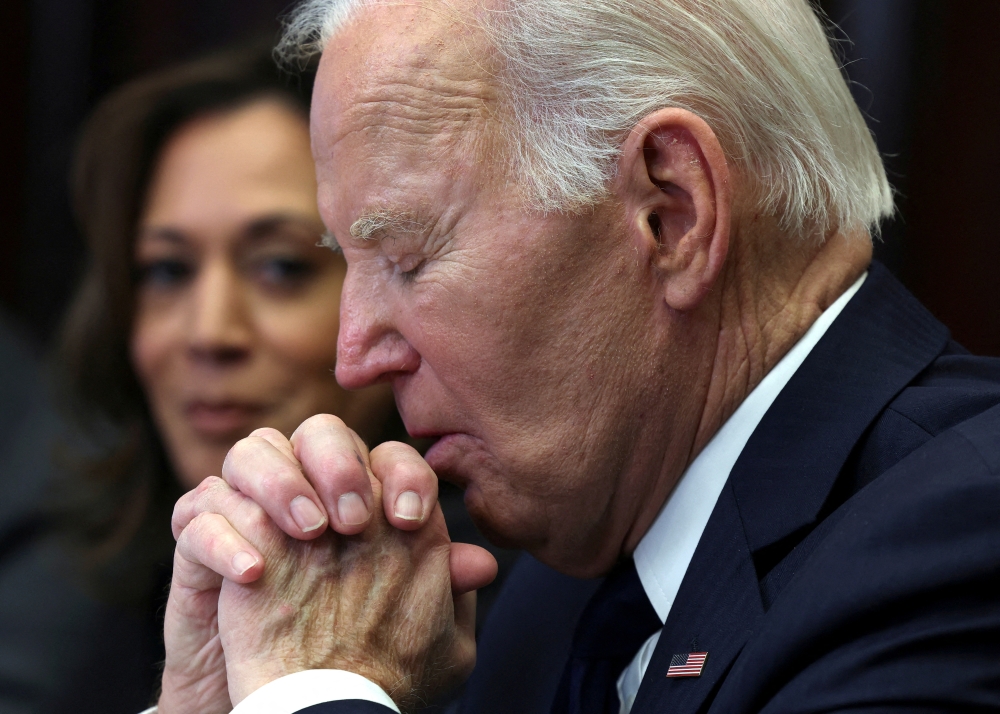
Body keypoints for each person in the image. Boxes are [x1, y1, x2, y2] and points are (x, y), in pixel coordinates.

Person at [154, 1, 1000, 713]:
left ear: (671, 214)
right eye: (344, 263)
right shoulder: (551, 593)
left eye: (408, 258)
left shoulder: (961, 541)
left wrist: (316, 691)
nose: (353, 358)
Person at [0, 43, 511, 714]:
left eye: (280, 268)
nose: (210, 332)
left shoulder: (508, 609)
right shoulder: (89, 607)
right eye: (167, 271)